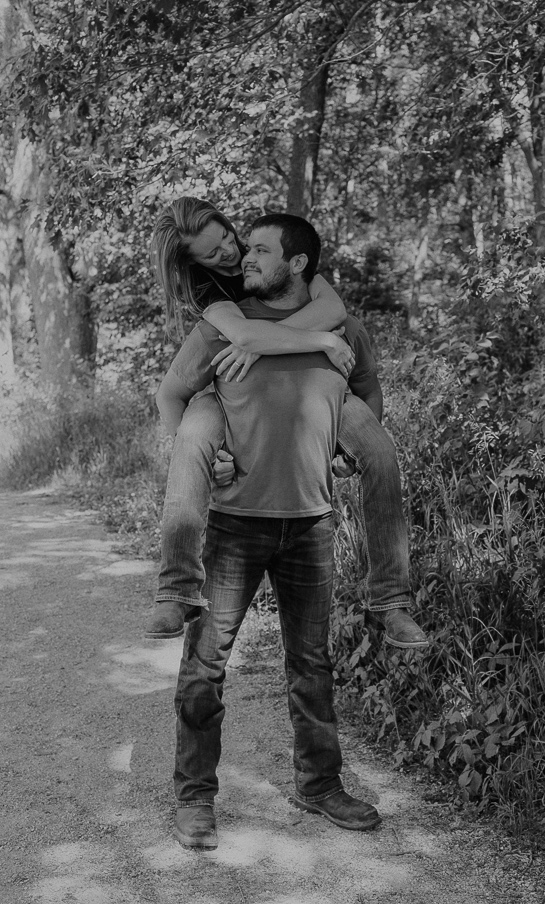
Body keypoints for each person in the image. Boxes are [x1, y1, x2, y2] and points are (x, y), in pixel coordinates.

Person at [156, 213, 384, 849]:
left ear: (298, 264)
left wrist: (349, 446)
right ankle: (194, 798)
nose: (241, 254)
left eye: (255, 246)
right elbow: (171, 394)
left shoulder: (339, 322)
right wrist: (204, 454)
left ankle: (320, 786)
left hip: (310, 521)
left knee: (312, 665)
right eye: (238, 247)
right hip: (233, 525)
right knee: (205, 666)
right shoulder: (220, 320)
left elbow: (365, 398)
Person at [145, 196, 426, 650]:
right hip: (227, 392)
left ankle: (391, 603)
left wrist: (267, 342)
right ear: (194, 263)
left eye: (228, 239)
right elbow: (235, 343)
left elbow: (333, 310)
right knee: (194, 435)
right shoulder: (207, 293)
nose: (232, 255)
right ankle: (176, 590)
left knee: (380, 450)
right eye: (214, 254)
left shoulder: (276, 256)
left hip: (316, 388)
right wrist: (270, 342)